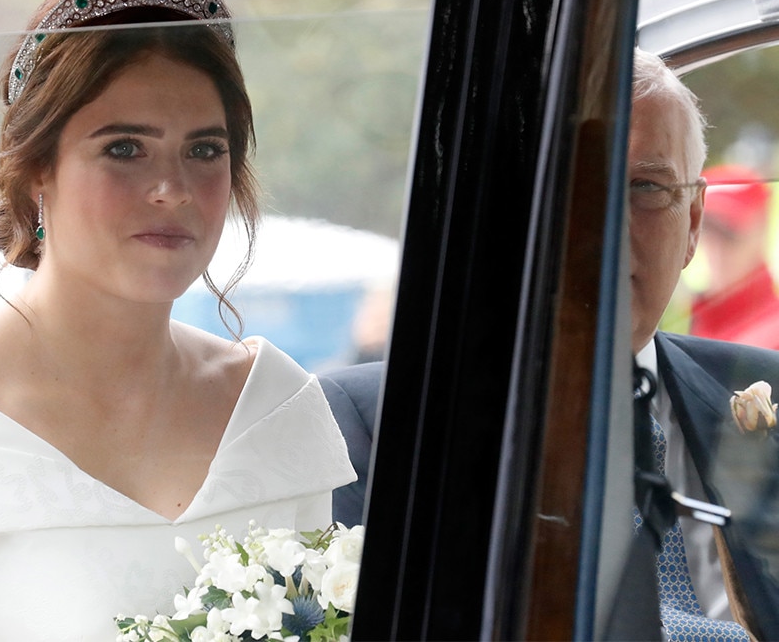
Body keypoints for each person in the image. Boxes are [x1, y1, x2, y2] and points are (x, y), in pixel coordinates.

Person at [0, 0, 355, 640]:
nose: (173, 189)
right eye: (126, 148)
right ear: (38, 168)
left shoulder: (275, 407)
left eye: (205, 149)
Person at [322, 47, 779, 639]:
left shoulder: (760, 388)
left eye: (644, 187)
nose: (605, 227)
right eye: (564, 186)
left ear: (692, 223)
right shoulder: (369, 422)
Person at [689, 163, 779, 349]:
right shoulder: (695, 317)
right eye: (708, 230)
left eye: (730, 234)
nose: (717, 249)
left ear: (760, 228)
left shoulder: (772, 334)